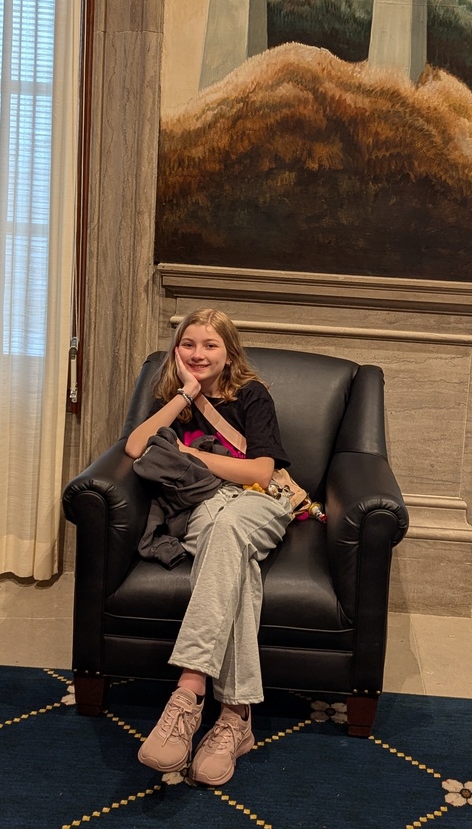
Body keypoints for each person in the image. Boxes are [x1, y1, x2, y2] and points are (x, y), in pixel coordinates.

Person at [125, 307, 292, 786]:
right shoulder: (172, 398)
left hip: (259, 503)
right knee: (229, 549)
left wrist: (188, 452)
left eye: (210, 345)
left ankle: (189, 690)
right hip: (203, 506)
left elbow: (261, 472)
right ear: (177, 350)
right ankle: (234, 718)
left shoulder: (252, 396)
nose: (198, 353)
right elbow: (136, 447)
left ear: (229, 351)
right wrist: (185, 395)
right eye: (189, 344)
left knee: (229, 531)